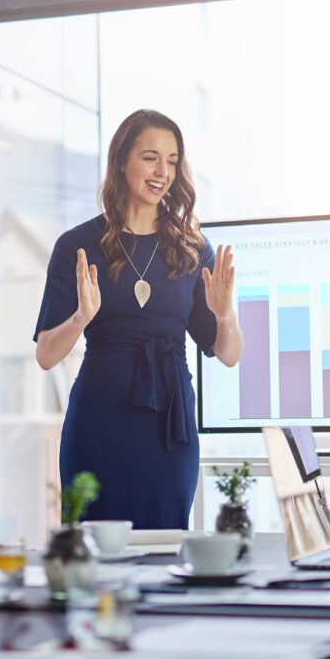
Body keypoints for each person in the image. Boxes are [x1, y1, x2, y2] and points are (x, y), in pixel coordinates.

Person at [34, 109, 243, 529]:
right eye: (150, 157)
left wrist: (225, 315)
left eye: (171, 160)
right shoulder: (77, 245)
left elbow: (229, 354)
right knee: (94, 553)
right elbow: (45, 356)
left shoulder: (191, 248)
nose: (162, 171)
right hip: (99, 422)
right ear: (121, 161)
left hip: (169, 428)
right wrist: (80, 317)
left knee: (165, 551)